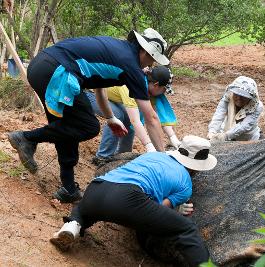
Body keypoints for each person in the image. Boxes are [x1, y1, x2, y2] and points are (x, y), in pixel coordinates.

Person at [7, 28, 169, 203]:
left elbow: (100, 88)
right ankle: (27, 138)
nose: (150, 65)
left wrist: (110, 118)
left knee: (66, 128)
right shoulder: (131, 65)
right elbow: (151, 118)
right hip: (59, 72)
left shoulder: (118, 50)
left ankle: (68, 189)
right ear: (144, 50)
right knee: (88, 126)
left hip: (43, 66)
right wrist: (163, 160)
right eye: (151, 59)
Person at [49, 135, 217, 267]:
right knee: (186, 229)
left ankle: (72, 226)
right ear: (197, 167)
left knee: (84, 209)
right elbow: (157, 209)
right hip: (128, 198)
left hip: (97, 188)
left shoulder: (155, 156)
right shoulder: (186, 184)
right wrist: (175, 211)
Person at [86, 65, 181, 165]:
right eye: (164, 89)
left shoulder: (148, 86)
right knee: (117, 116)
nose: (164, 93)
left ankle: (123, 155)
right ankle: (102, 157)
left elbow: (155, 117)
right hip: (91, 93)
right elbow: (135, 121)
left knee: (127, 116)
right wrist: (149, 146)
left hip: (111, 97)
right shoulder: (132, 86)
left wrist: (173, 138)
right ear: (156, 85)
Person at [207, 76, 264, 141]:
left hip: (248, 137)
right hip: (227, 129)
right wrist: (212, 131)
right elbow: (219, 114)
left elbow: (244, 126)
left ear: (250, 97)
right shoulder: (228, 97)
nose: (239, 98)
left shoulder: (257, 106)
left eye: (243, 96)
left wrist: (226, 136)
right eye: (236, 94)